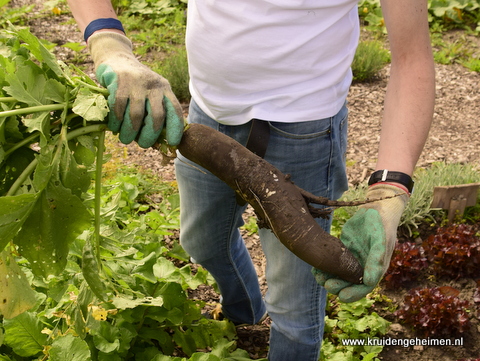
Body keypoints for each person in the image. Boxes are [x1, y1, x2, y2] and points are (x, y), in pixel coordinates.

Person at [67, 1, 435, 360]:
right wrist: (109, 44)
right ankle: (245, 313)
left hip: (306, 133)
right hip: (207, 118)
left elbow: (412, 57)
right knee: (203, 243)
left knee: (295, 306)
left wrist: (389, 187)